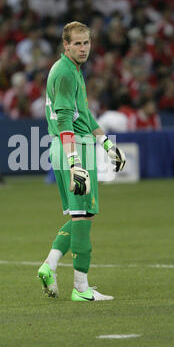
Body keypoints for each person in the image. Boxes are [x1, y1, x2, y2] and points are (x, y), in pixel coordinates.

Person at [37, 21, 126, 302]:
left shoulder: (71, 70)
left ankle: (49, 266)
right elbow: (65, 120)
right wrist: (75, 161)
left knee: (80, 217)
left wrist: (108, 144)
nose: (83, 48)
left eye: (86, 43)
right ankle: (81, 288)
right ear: (66, 45)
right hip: (72, 147)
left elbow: (83, 114)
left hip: (70, 146)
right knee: (84, 218)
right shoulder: (65, 73)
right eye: (77, 43)